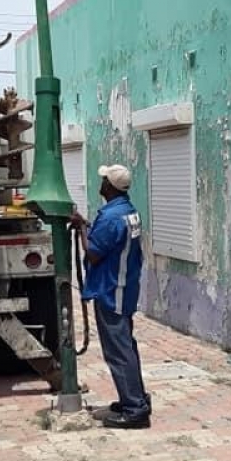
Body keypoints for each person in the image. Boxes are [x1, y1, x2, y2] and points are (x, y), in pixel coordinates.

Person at [69, 164, 150, 429]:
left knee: (118, 351)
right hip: (124, 289)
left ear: (110, 187)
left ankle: (134, 409)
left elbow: (93, 254)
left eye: (104, 180)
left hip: (111, 290)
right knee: (127, 345)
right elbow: (112, 238)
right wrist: (87, 224)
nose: (100, 183)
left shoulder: (112, 217)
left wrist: (81, 229)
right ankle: (136, 398)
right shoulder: (127, 211)